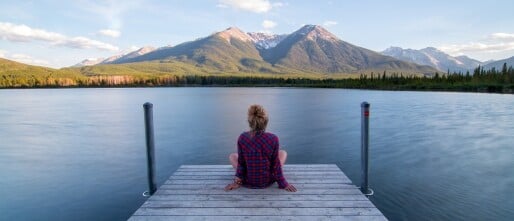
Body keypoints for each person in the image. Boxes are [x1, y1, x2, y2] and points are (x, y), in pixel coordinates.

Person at [225, 105, 297, 192]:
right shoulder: (273, 138)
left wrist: (237, 181)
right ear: (266, 121)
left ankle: (241, 179)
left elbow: (241, 163)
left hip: (248, 180)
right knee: (283, 153)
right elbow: (276, 165)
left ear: (249, 121)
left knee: (232, 156)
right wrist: (283, 183)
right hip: (267, 180)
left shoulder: (242, 138)